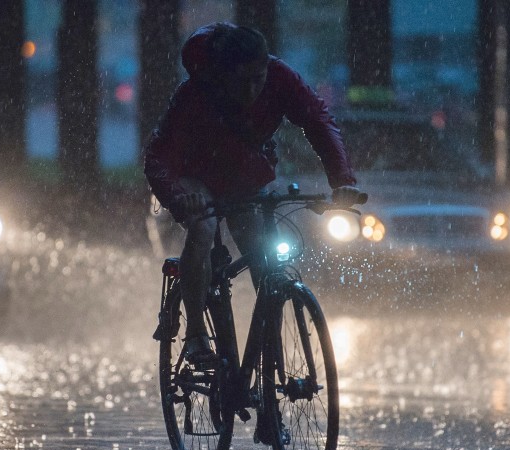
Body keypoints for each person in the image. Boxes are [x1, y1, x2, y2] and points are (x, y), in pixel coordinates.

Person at [144, 22, 362, 365]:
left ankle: (267, 356)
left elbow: (318, 120)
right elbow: (158, 156)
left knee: (263, 252)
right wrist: (178, 197)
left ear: (267, 68)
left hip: (243, 177)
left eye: (258, 79)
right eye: (241, 81)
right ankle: (197, 336)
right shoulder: (195, 95)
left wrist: (341, 179)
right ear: (222, 74)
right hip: (193, 176)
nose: (251, 90)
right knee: (203, 230)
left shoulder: (280, 77)